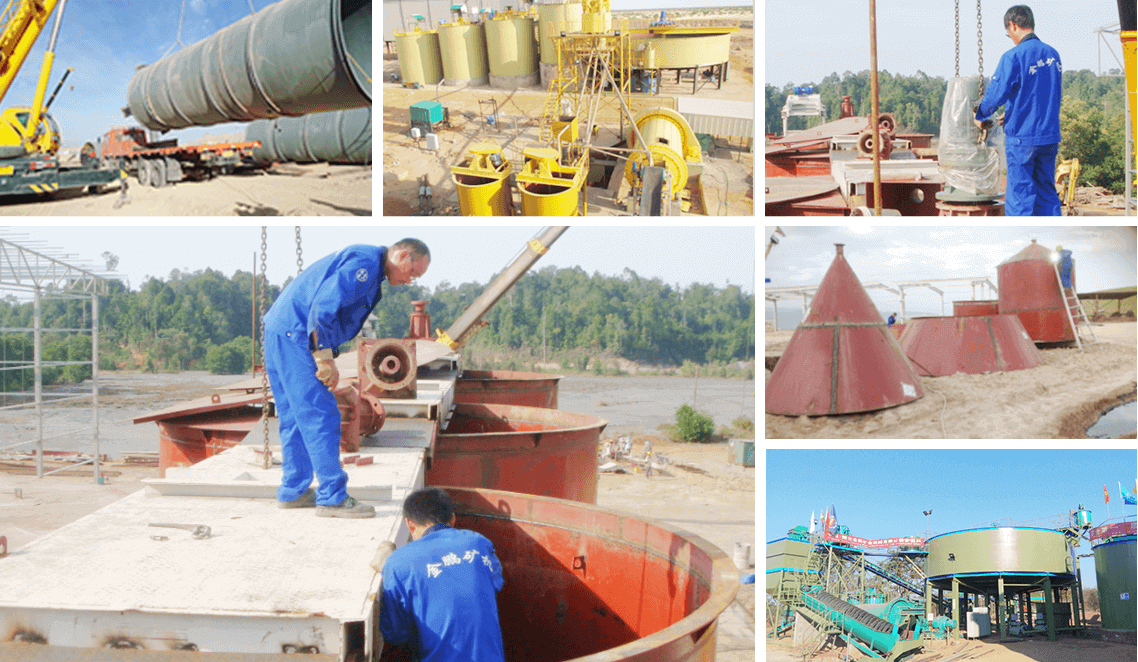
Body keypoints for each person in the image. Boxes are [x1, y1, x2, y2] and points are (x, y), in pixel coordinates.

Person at [266, 239, 431, 518]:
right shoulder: (366, 263)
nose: (409, 281)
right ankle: (332, 498)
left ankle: (293, 490)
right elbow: (324, 306)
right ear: (403, 255)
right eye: (413, 273)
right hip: (297, 334)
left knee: (294, 416)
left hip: (280, 331)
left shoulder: (369, 266)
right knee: (321, 415)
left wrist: (325, 351)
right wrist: (323, 356)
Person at [380, 487, 505, 662]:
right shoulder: (478, 543)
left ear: (409, 524)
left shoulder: (398, 563)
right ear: (452, 519)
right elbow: (497, 583)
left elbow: (395, 634)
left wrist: (390, 568)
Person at [973, 5, 1063, 216]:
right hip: (1049, 137)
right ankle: (1050, 233)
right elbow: (1040, 92)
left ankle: (1021, 235)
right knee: (1046, 194)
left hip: (1023, 139)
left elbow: (997, 93)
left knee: (1020, 196)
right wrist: (1013, 111)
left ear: (1012, 25)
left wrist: (981, 114)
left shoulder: (1013, 56)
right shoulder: (1053, 55)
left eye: (1008, 33)